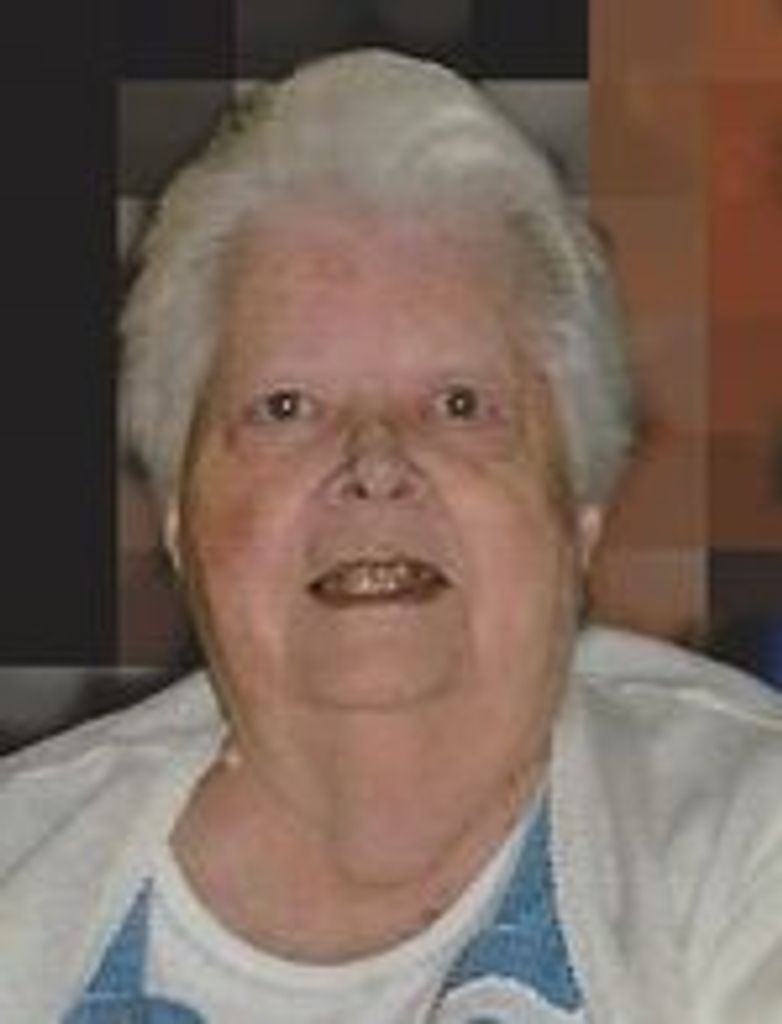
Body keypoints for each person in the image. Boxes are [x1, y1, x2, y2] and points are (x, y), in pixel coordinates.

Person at [1, 49, 781, 1024]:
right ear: (177, 518)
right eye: (286, 407)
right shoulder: (20, 867)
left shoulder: (746, 838)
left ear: (578, 505)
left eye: (459, 404)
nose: (374, 462)